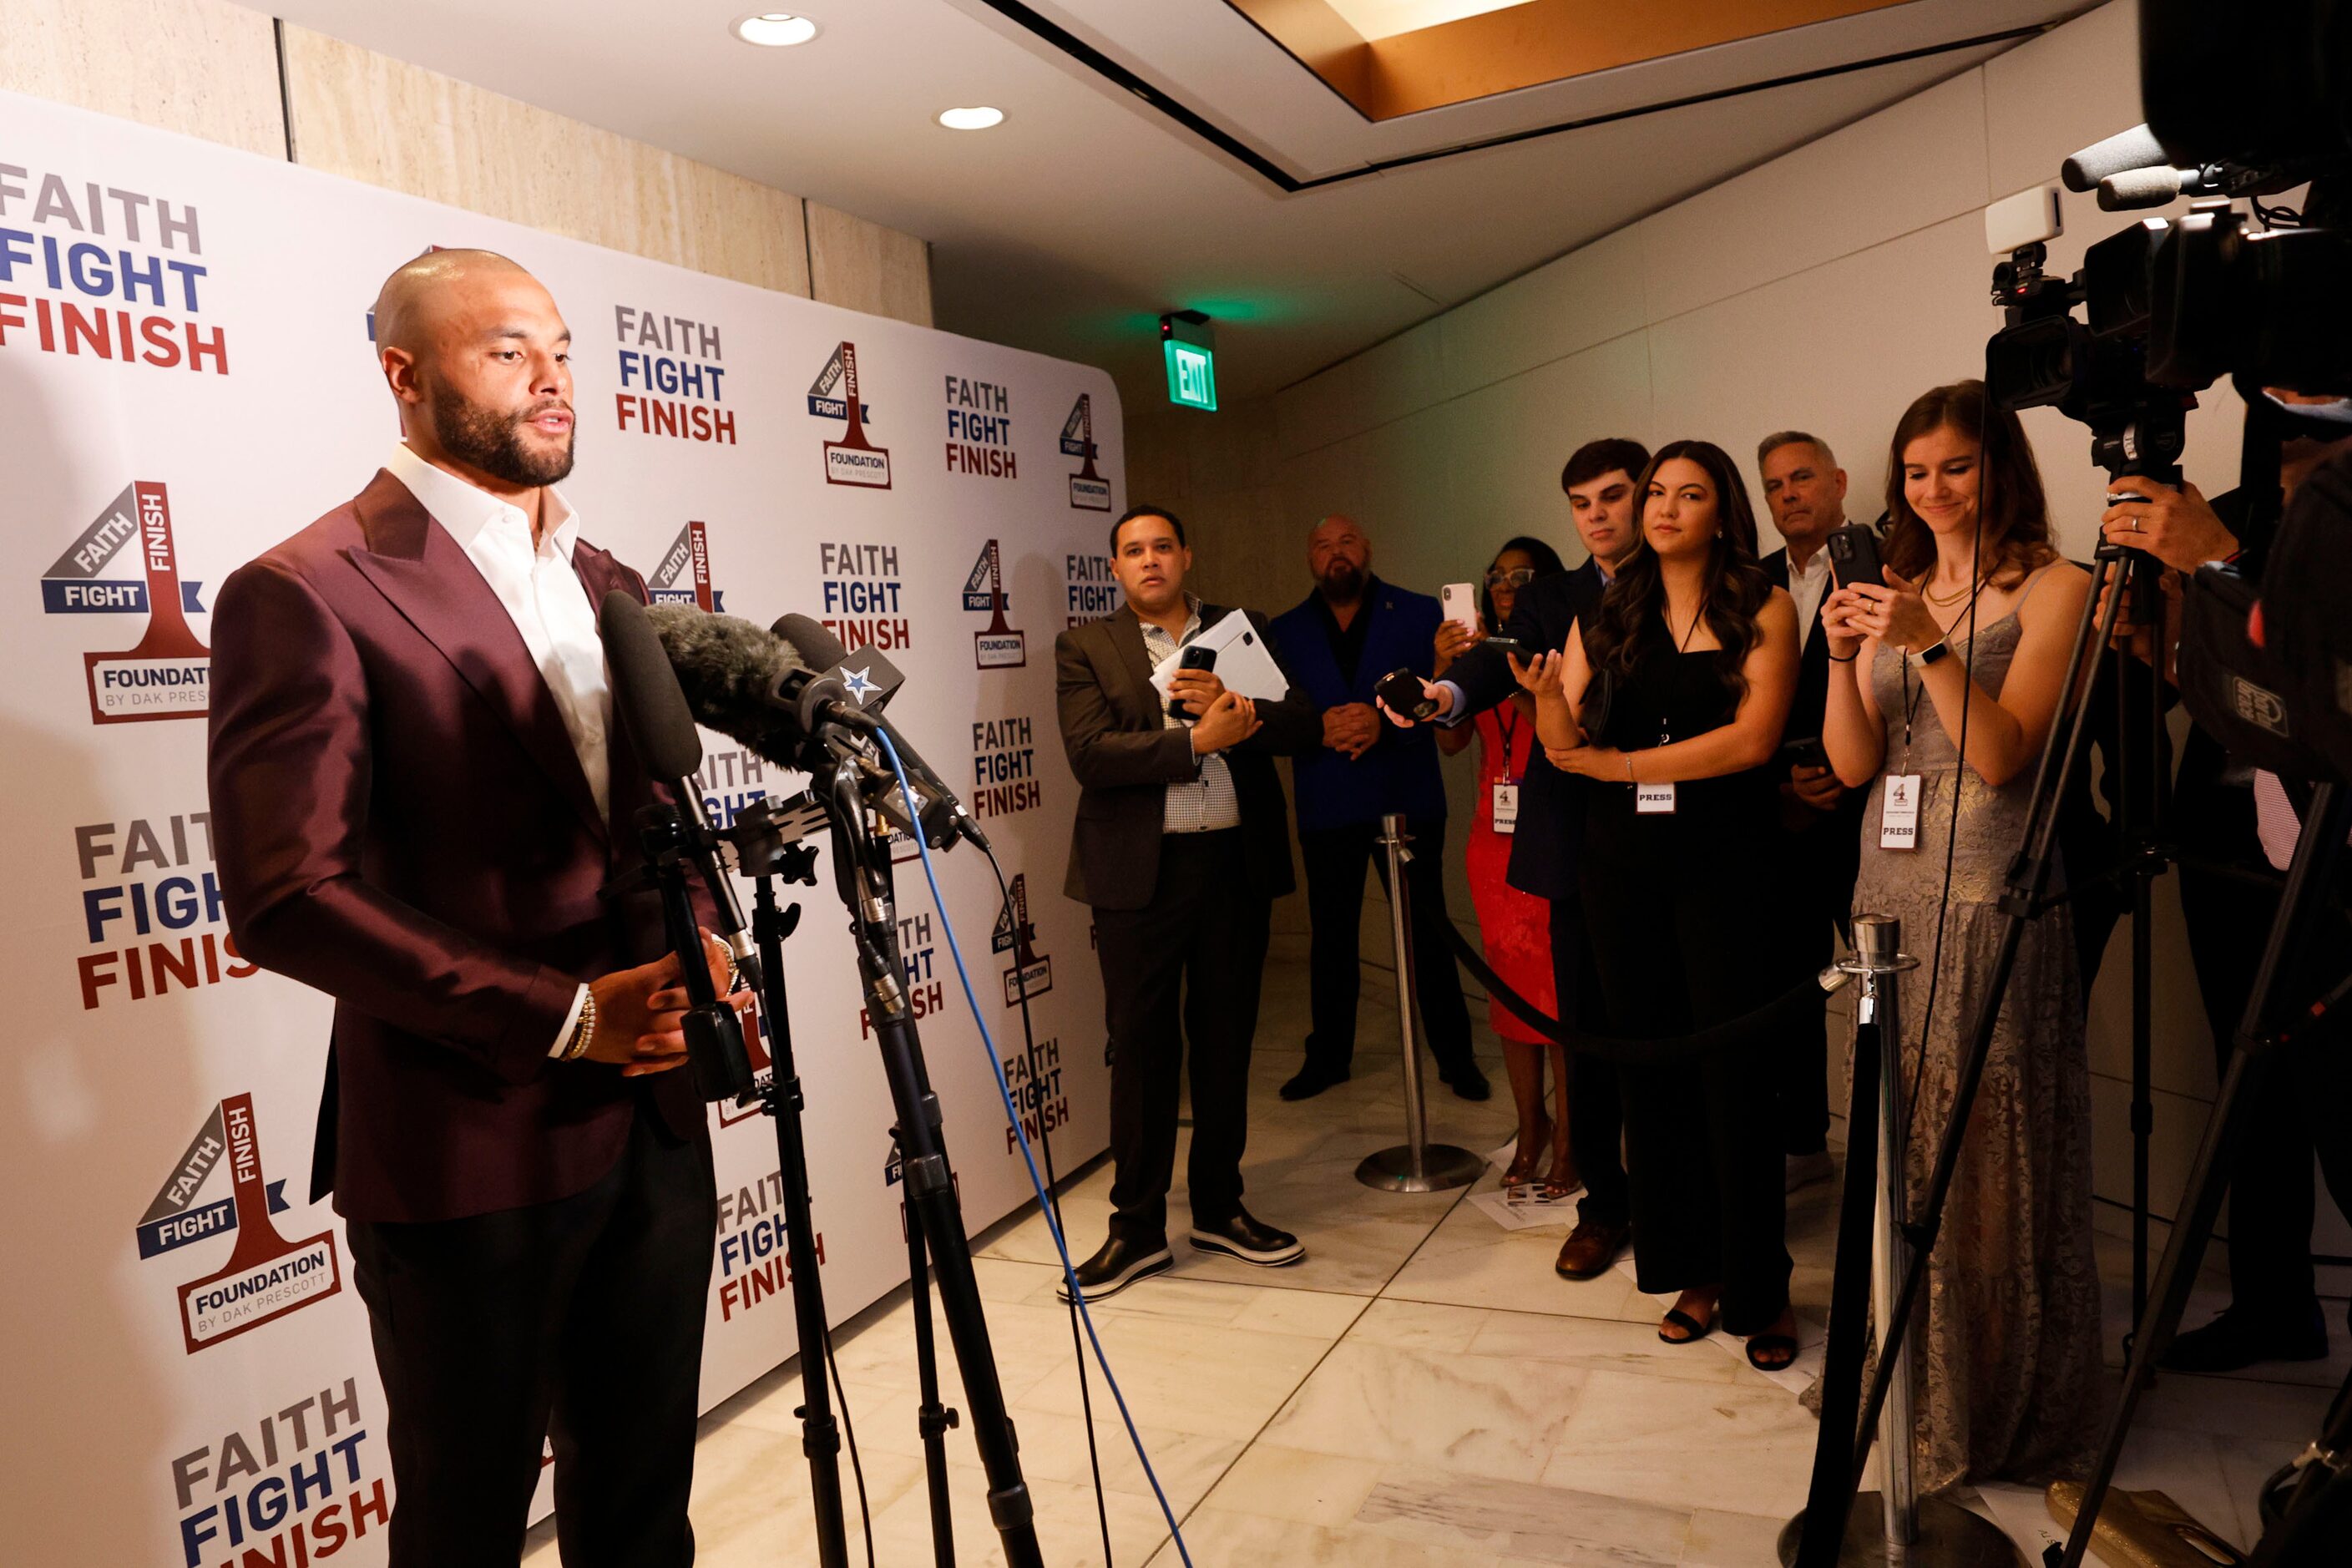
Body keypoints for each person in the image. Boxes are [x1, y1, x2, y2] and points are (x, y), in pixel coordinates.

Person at [206, 249, 745, 1567]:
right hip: (466, 1145)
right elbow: (288, 895)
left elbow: (643, 813)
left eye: (559, 345)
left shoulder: (606, 574)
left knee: (640, 1512)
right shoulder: (305, 588)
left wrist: (699, 931)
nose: (551, 375)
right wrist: (564, 1017)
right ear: (404, 374)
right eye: (506, 349)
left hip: (656, 1124)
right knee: (465, 1525)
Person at [1819, 379, 2100, 1487]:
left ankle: (1993, 1396)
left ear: (2004, 469)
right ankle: (1903, 1373)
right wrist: (1848, 653)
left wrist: (1929, 642)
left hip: (1992, 893)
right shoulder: (1893, 586)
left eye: (1958, 465)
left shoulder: (2058, 586)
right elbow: (1851, 765)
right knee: (1891, 1146)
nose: (1934, 489)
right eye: (1917, 470)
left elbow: (2002, 755)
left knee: (1985, 1154)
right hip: (1883, 898)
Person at [1524, 439, 1803, 1370]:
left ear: (1723, 510)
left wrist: (1625, 766)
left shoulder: (1764, 601)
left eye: (1690, 494)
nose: (1665, 508)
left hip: (1728, 860)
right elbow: (1567, 742)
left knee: (1734, 1075)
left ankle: (1761, 1285)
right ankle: (1692, 1268)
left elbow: (1752, 742)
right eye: (1657, 494)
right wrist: (1544, 707)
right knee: (1655, 1074)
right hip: (1622, 865)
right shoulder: (1611, 607)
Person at [2097, 390, 2352, 1373]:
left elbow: (2319, 689)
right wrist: (2157, 633)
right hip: (2229, 846)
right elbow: (2208, 685)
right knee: (2253, 1087)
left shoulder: (2313, 526)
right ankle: (2272, 1304)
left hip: (2338, 863)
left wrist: (2216, 565)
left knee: (2344, 1102)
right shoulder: (2236, 509)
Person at [1392, 437, 1650, 1282]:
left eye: (1613, 495)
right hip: (1575, 839)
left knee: (1672, 1036)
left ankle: (1685, 1206)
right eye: (1582, 503)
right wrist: (1442, 694)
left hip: (1674, 837)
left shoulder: (1692, 580)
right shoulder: (1553, 597)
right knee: (1585, 1028)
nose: (1599, 515)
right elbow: (1494, 670)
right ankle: (1603, 1206)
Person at [1054, 505, 1322, 1301]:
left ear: (1186, 554)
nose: (1148, 561)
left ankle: (1218, 1206)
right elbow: (1089, 757)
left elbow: (1300, 725)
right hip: (1138, 877)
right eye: (1132, 551)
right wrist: (1193, 743)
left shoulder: (1244, 630)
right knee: (1139, 1050)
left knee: (1225, 1040)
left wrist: (1234, 713)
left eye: (1161, 546)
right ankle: (1134, 1228)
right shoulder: (1084, 647)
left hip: (1230, 867)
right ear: (1115, 569)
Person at [1268, 516, 1488, 1103]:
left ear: (1366, 549)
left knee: (1427, 932)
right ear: (1308, 559)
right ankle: (1328, 1058)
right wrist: (1318, 728)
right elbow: (1271, 717)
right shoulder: (1283, 631)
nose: (1334, 554)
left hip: (1405, 794)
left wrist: (1382, 727)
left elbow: (1444, 704)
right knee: (1332, 936)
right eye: (1321, 545)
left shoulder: (1420, 616)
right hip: (1326, 801)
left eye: (1345, 542)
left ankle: (1456, 1057)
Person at [1434, 536, 1571, 1186]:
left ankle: (1572, 1135)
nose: (1506, 584)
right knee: (1510, 998)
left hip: (1551, 830)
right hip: (1491, 838)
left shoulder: (1559, 647)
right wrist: (1448, 673)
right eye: (1496, 575)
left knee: (1561, 997)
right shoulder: (1477, 659)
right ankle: (1530, 1124)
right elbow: (1454, 742)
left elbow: (1562, 730)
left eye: (1522, 575)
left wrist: (1513, 678)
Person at [1756, 431, 1861, 1192]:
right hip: (1774, 814)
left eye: (1801, 478)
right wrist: (1779, 789)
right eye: (1773, 486)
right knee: (1786, 986)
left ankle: (1890, 1140)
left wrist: (1844, 778)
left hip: (1868, 813)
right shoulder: (1747, 581)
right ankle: (1801, 1145)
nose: (1787, 494)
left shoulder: (1885, 563)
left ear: (1838, 481)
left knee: (1882, 984)